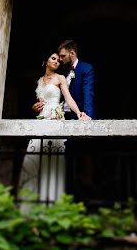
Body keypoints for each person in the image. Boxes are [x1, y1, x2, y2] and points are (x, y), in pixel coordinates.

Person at [20, 53, 90, 206]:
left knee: (53, 161)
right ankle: (30, 204)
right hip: (41, 121)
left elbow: (68, 98)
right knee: (34, 158)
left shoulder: (60, 78)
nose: (57, 61)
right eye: (53, 58)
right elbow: (39, 103)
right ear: (46, 61)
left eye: (59, 60)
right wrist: (34, 107)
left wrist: (79, 113)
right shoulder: (39, 81)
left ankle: (51, 204)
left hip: (55, 120)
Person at [33, 39, 96, 120]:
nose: (60, 60)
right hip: (60, 114)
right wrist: (36, 107)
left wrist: (87, 117)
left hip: (77, 115)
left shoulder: (85, 68)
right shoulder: (63, 71)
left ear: (72, 53)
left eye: (62, 56)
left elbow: (88, 94)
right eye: (55, 59)